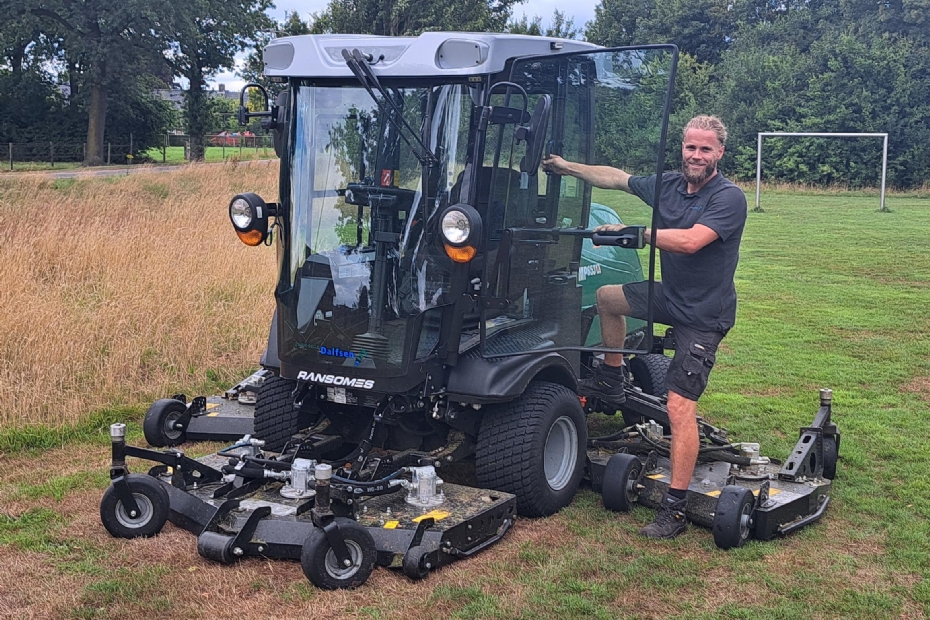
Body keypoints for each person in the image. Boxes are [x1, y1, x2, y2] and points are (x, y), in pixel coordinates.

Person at [542, 115, 747, 539]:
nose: (696, 155)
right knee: (607, 299)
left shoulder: (729, 197)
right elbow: (616, 178)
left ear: (719, 153)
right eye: (691, 147)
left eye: (705, 149)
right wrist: (568, 167)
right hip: (669, 295)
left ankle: (673, 508)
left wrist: (639, 233)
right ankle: (612, 376)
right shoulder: (670, 184)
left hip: (704, 315)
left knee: (678, 408)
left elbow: (691, 241)